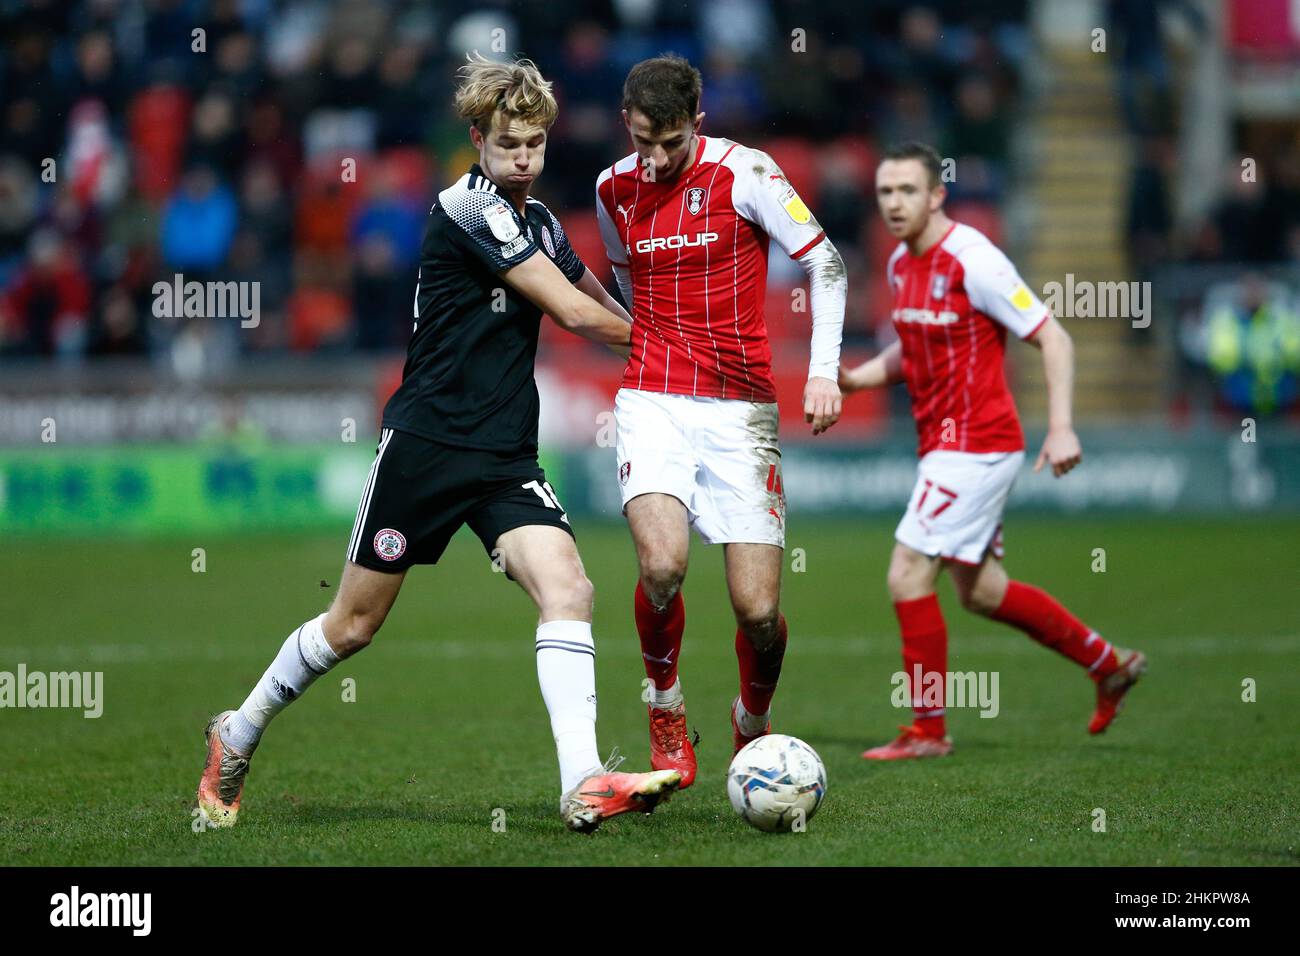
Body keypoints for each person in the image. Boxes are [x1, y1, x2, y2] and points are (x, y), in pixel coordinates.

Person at [198, 55, 680, 833]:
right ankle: (238, 731)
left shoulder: (543, 221)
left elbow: (604, 301)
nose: (524, 156)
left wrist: (666, 315)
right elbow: (575, 315)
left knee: (570, 590)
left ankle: (582, 781)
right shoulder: (469, 207)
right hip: (427, 443)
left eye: (536, 143)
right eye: (509, 142)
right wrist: (680, 347)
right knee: (352, 626)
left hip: (504, 455)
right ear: (477, 138)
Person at [839, 142, 1146, 760]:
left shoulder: (974, 261)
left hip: (978, 443)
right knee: (981, 590)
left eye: (907, 191)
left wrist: (1060, 428)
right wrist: (854, 380)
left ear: (937, 194)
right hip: (944, 447)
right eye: (885, 193)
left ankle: (927, 731)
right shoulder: (901, 263)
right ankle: (1107, 664)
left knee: (906, 574)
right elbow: (913, 348)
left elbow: (1054, 338)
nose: (895, 204)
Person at [594, 55, 846, 787]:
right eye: (645, 140)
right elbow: (623, 282)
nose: (658, 157)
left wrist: (824, 371)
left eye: (672, 142)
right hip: (653, 399)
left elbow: (826, 263)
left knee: (759, 612)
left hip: (740, 409)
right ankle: (665, 707)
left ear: (697, 124)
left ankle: (752, 723)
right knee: (663, 565)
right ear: (627, 123)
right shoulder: (613, 188)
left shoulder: (747, 173)